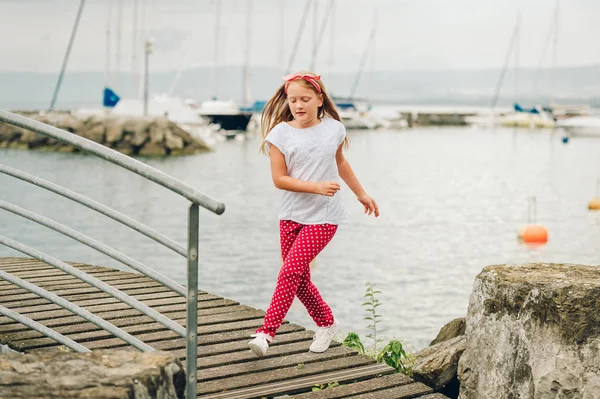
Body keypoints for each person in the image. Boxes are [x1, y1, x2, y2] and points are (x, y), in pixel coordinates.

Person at [248, 72, 379, 358]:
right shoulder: (279, 134)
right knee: (299, 279)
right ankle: (327, 324)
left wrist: (361, 193)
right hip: (291, 215)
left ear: (320, 99)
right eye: (293, 99)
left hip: (325, 217)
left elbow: (340, 162)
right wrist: (316, 187)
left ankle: (266, 333)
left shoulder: (334, 129)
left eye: (305, 99)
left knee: (290, 271)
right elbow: (279, 179)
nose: (298, 105)